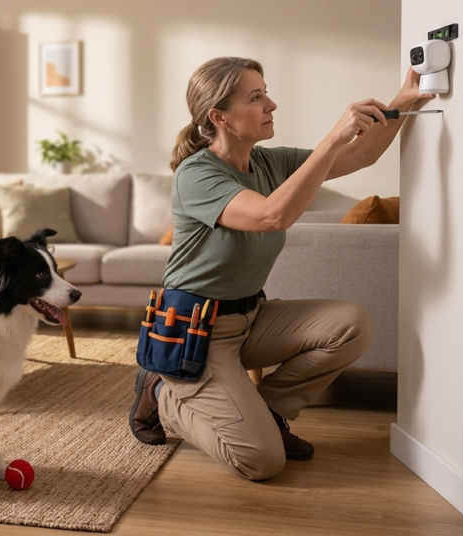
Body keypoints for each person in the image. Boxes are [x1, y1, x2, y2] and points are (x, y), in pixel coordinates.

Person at [128, 56, 434, 480]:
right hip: (197, 333)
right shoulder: (196, 175)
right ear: (220, 117)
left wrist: (405, 99)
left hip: (251, 318)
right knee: (262, 461)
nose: (271, 104)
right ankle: (162, 392)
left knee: (353, 323)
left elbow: (362, 154)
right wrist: (331, 139)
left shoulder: (270, 163)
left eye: (266, 92)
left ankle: (267, 413)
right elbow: (271, 216)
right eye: (256, 97)